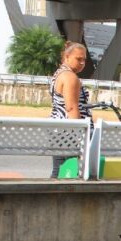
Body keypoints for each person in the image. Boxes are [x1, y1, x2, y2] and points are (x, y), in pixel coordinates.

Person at [49, 41, 90, 177]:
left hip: (58, 128)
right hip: (68, 132)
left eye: (84, 59)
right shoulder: (70, 77)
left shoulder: (59, 74)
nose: (82, 63)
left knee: (60, 170)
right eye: (78, 59)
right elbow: (72, 108)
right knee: (67, 171)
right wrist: (80, 134)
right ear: (66, 57)